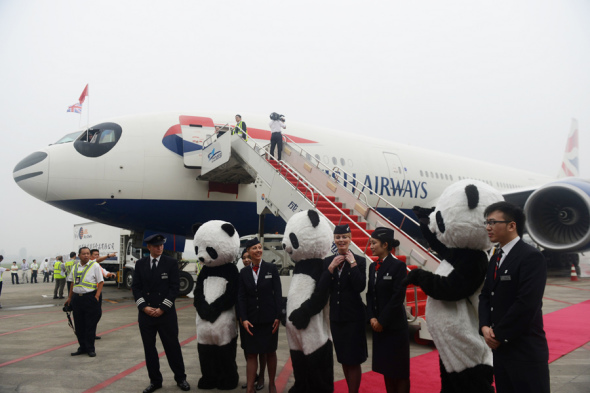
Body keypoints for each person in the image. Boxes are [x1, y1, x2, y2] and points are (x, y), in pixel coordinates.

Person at [479, 201, 550, 393]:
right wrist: (484, 326)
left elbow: (527, 303)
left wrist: (499, 335)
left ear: (512, 225)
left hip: (524, 349)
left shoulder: (531, 257)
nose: (488, 227)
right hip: (500, 349)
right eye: (486, 222)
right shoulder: (496, 257)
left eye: (493, 222)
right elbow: (486, 295)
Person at [132, 234, 190, 393]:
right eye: (156, 245)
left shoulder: (171, 263)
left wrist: (162, 308)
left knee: (172, 347)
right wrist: (143, 307)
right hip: (146, 314)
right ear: (149, 247)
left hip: (166, 314)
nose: (160, 247)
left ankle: (181, 378)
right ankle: (155, 381)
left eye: (161, 245)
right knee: (149, 349)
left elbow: (174, 288)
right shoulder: (140, 264)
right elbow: (136, 288)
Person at [323, 224, 367, 393]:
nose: (341, 240)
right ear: (334, 240)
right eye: (338, 237)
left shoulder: (360, 261)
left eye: (345, 237)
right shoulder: (329, 261)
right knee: (343, 358)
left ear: (350, 239)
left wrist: (353, 263)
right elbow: (323, 286)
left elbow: (360, 286)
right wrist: (331, 268)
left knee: (354, 359)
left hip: (354, 318)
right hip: (337, 318)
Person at [366, 227, 410, 393]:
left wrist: (381, 321)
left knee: (399, 372)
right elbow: (370, 294)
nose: (371, 246)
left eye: (374, 243)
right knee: (387, 369)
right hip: (379, 327)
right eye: (371, 243)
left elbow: (397, 297)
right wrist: (371, 317)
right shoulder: (373, 267)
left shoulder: (398, 266)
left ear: (385, 245)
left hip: (394, 327)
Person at [238, 238, 282, 393]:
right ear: (248, 252)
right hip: (251, 320)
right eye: (254, 248)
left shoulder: (271, 268)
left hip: (269, 319)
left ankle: (272, 384)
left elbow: (278, 293)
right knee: (251, 354)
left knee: (270, 352)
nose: (258, 250)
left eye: (259, 247)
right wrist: (244, 318)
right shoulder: (244, 272)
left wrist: (278, 316)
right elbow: (241, 298)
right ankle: (250, 387)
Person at [64, 247, 104, 357]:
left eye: (87, 253)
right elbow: (72, 283)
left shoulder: (94, 266)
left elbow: (100, 282)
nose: (86, 255)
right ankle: (82, 347)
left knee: (90, 325)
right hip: (77, 299)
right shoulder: (75, 266)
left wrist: (96, 296)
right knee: (79, 325)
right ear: (79, 255)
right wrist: (69, 297)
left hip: (90, 298)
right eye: (84, 254)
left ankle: (90, 348)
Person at [239, 248, 267, 391]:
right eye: (243, 258)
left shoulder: (264, 270)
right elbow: (240, 297)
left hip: (260, 317)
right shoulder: (242, 274)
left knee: (262, 350)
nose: (246, 260)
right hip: (245, 318)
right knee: (247, 349)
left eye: (248, 257)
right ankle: (253, 376)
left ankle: (261, 376)